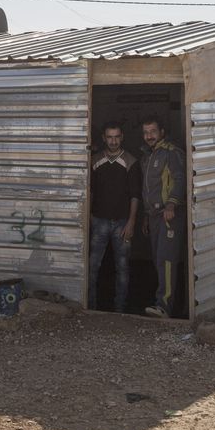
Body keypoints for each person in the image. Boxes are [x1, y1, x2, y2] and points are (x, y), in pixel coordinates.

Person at [88, 121, 140, 312]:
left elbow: (135, 195)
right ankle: (90, 306)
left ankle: (120, 309)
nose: (113, 141)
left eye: (117, 136)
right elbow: (90, 192)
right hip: (98, 221)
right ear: (104, 138)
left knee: (123, 268)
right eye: (109, 137)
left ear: (122, 137)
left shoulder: (131, 161)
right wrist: (88, 218)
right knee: (92, 267)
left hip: (122, 223)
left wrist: (132, 222)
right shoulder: (95, 160)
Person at [140, 115, 185, 318]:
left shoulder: (171, 153)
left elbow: (180, 178)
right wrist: (145, 216)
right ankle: (162, 302)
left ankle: (164, 306)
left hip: (169, 215)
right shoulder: (147, 156)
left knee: (166, 259)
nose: (149, 136)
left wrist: (171, 203)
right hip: (154, 216)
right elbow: (148, 190)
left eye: (153, 132)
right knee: (159, 260)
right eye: (146, 132)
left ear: (162, 132)